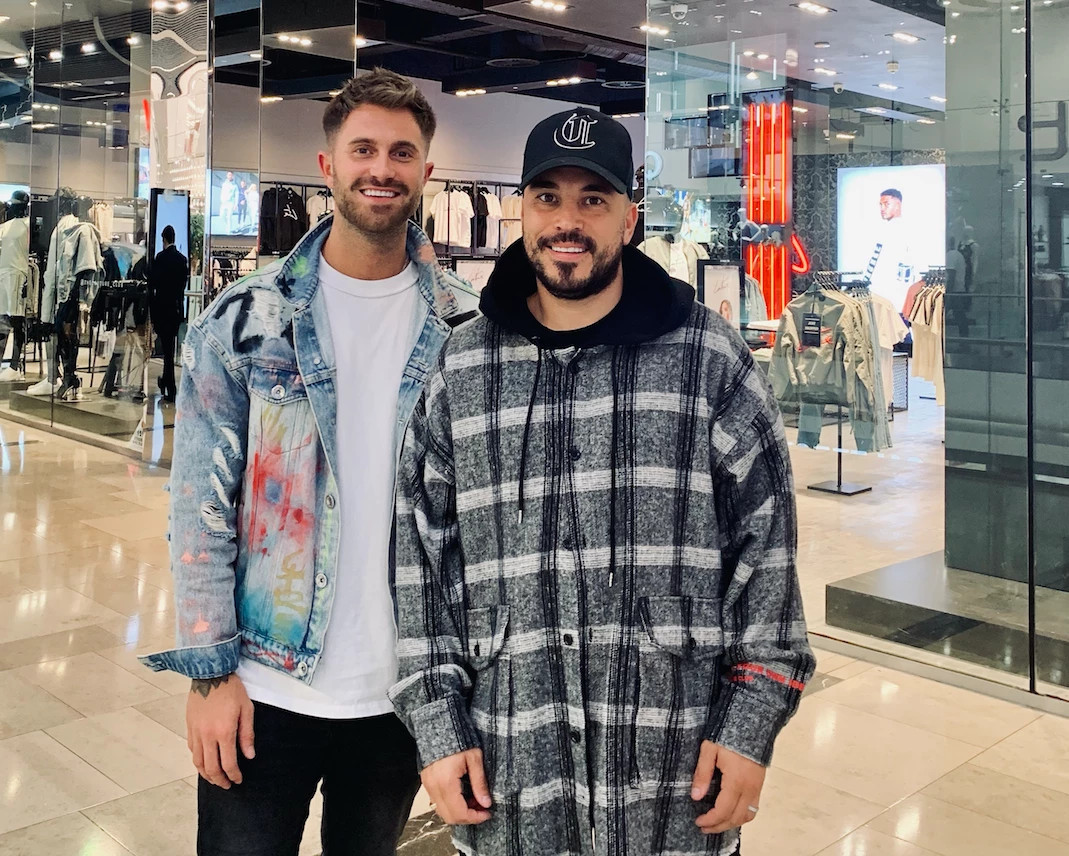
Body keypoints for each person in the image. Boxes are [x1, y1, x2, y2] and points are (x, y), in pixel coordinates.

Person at [390, 109, 815, 856]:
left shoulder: (707, 361)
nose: (567, 220)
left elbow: (767, 554)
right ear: (522, 208)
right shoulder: (460, 370)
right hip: (510, 769)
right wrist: (435, 721)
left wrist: (750, 724)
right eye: (548, 196)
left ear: (628, 217)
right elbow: (420, 563)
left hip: (673, 776)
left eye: (594, 198)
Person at [139, 69, 469, 856]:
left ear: (425, 171)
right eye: (362, 149)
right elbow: (200, 506)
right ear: (328, 167)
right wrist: (211, 675)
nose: (380, 168)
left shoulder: (470, 328)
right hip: (262, 690)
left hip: (401, 695)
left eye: (400, 151)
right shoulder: (245, 319)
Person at [148, 225, 189, 402]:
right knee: (170, 349)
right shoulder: (182, 259)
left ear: (163, 239)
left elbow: (154, 282)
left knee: (166, 350)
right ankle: (167, 383)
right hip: (175, 308)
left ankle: (168, 384)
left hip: (162, 308)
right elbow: (182, 285)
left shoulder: (160, 258)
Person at [867, 188, 919, 313]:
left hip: (895, 298)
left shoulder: (905, 230)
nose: (882, 208)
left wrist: (903, 293)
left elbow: (908, 264)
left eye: (887, 204)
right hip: (880, 295)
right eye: (881, 205)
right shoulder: (885, 230)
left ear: (898, 204)